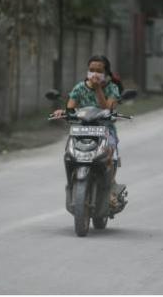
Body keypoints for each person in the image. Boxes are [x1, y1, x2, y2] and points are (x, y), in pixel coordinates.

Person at [49, 54, 127, 210]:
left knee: (112, 155)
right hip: (81, 129)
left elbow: (107, 108)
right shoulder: (79, 88)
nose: (94, 74)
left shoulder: (112, 88)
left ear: (105, 73)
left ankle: (110, 188)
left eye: (99, 70)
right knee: (68, 153)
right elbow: (70, 108)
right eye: (91, 70)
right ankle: (72, 183)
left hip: (105, 130)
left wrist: (98, 89)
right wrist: (63, 112)